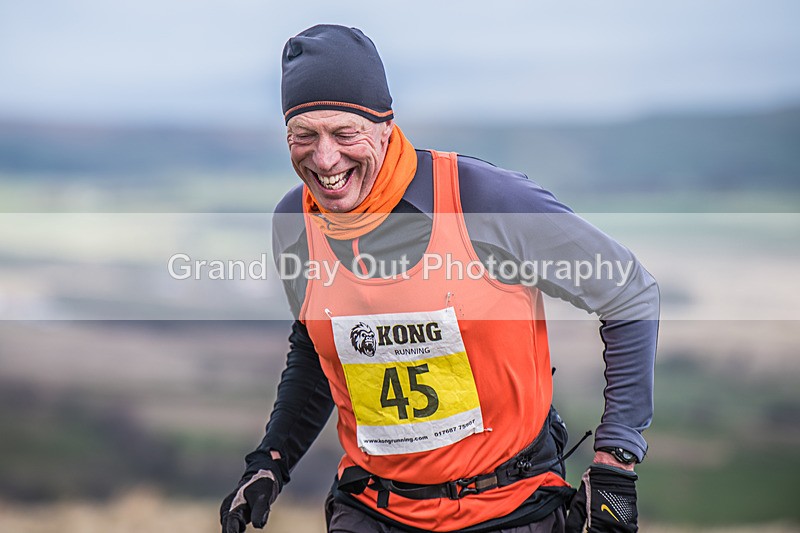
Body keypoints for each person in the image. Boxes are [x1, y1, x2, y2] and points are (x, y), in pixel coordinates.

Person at [220, 24, 658, 533]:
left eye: (344, 134)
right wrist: (272, 460)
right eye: (304, 136)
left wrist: (617, 456)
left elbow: (629, 292)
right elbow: (319, 348)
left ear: (385, 125)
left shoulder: (483, 201)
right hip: (371, 511)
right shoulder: (294, 224)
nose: (324, 159)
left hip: (512, 510)